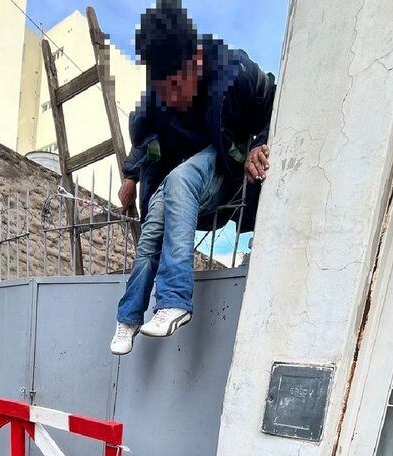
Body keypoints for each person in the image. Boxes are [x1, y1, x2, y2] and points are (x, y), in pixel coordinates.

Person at [110, 0, 276, 355]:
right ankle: (128, 317)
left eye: (176, 84)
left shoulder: (237, 73)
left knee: (182, 177)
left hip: (225, 165)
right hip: (179, 182)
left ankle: (175, 301)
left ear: (197, 60)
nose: (170, 97)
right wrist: (130, 177)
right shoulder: (156, 100)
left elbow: (273, 101)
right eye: (161, 88)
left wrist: (258, 145)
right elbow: (143, 140)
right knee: (152, 224)